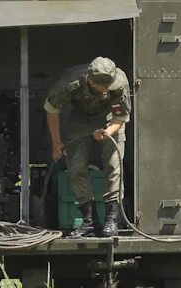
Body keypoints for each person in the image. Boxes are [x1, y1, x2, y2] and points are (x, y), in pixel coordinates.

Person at [45, 56, 131, 238]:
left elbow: (120, 116)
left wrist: (108, 132)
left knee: (114, 164)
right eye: (103, 85)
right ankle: (90, 221)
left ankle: (111, 219)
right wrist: (56, 143)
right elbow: (52, 110)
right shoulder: (71, 81)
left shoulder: (119, 81)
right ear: (92, 81)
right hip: (81, 119)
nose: (108, 88)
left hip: (110, 118)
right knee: (76, 166)